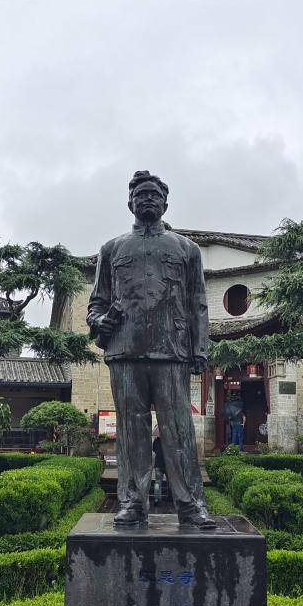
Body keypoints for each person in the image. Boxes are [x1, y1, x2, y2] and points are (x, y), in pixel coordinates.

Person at [87, 170, 215, 529]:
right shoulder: (111, 249)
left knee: (178, 429)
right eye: (140, 195)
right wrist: (100, 321)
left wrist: (200, 348)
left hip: (171, 349)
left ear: (165, 204)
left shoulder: (186, 249)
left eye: (154, 195)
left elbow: (198, 302)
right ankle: (132, 502)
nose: (147, 200)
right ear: (129, 203)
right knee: (131, 430)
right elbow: (96, 303)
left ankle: (190, 505)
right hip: (125, 349)